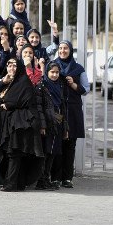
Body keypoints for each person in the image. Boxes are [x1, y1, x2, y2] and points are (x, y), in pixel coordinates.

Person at [0, 57, 44, 191]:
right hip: (11, 122)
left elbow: (23, 100)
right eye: (9, 65)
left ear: (19, 67)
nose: (11, 68)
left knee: (14, 153)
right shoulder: (9, 82)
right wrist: (2, 82)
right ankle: (18, 183)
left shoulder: (23, 81)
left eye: (14, 66)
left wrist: (8, 104)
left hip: (21, 122)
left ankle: (11, 184)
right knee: (15, 153)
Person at [48, 38, 90, 188]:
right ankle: (55, 177)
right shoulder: (53, 67)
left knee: (69, 145)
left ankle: (67, 178)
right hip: (57, 111)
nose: (62, 51)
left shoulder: (78, 68)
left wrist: (73, 84)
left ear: (70, 50)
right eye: (60, 49)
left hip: (72, 111)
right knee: (57, 144)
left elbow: (86, 89)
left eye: (65, 48)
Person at [34, 61, 67, 190]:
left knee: (53, 152)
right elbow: (39, 107)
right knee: (46, 152)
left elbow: (63, 107)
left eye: (57, 72)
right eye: (52, 72)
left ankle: (46, 178)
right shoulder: (42, 85)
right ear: (47, 72)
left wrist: (65, 127)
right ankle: (41, 180)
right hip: (47, 123)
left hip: (57, 123)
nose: (54, 75)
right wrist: (42, 125)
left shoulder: (60, 85)